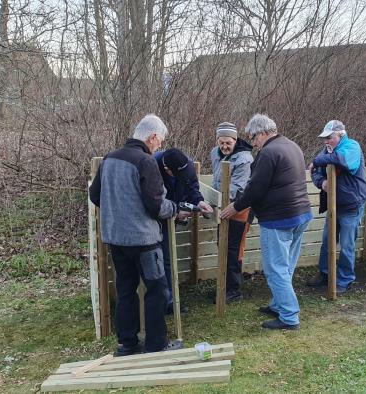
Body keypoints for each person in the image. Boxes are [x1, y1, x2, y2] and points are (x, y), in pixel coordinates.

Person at [89, 114, 182, 356]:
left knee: (126, 291)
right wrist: (175, 208)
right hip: (143, 242)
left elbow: (95, 196)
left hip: (116, 239)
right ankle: (156, 344)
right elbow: (156, 205)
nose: (159, 145)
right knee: (157, 290)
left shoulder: (110, 158)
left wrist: (119, 209)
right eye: (159, 141)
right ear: (152, 137)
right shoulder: (145, 162)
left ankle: (127, 344)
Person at [220, 114, 312, 330]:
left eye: (253, 138)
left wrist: (234, 207)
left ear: (262, 132)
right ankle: (279, 304)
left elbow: (255, 189)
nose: (253, 143)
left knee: (275, 269)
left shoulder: (269, 152)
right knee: (286, 265)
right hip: (302, 214)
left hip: (279, 219)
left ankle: (289, 317)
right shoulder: (291, 145)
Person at [307, 120, 366, 294]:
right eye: (324, 138)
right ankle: (325, 274)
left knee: (347, 243)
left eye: (329, 137)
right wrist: (322, 183)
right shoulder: (328, 150)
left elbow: (341, 161)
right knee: (327, 241)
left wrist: (317, 160)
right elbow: (315, 171)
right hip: (333, 205)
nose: (326, 141)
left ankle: (345, 279)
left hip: (351, 205)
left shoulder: (352, 147)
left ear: (341, 135)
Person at [153, 148, 213, 313]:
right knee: (162, 259)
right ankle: (166, 302)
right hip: (156, 219)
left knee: (169, 258)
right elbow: (153, 200)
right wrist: (174, 211)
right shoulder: (153, 166)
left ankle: (170, 301)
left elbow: (192, 186)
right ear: (167, 170)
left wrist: (199, 201)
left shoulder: (186, 164)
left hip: (173, 215)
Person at [210, 122, 253, 303]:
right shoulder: (215, 153)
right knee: (223, 245)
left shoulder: (244, 159)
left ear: (235, 140)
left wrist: (215, 199)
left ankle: (233, 290)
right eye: (221, 142)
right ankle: (226, 286)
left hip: (240, 208)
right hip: (223, 206)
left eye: (228, 142)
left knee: (233, 249)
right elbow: (216, 180)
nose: (224, 146)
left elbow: (236, 189)